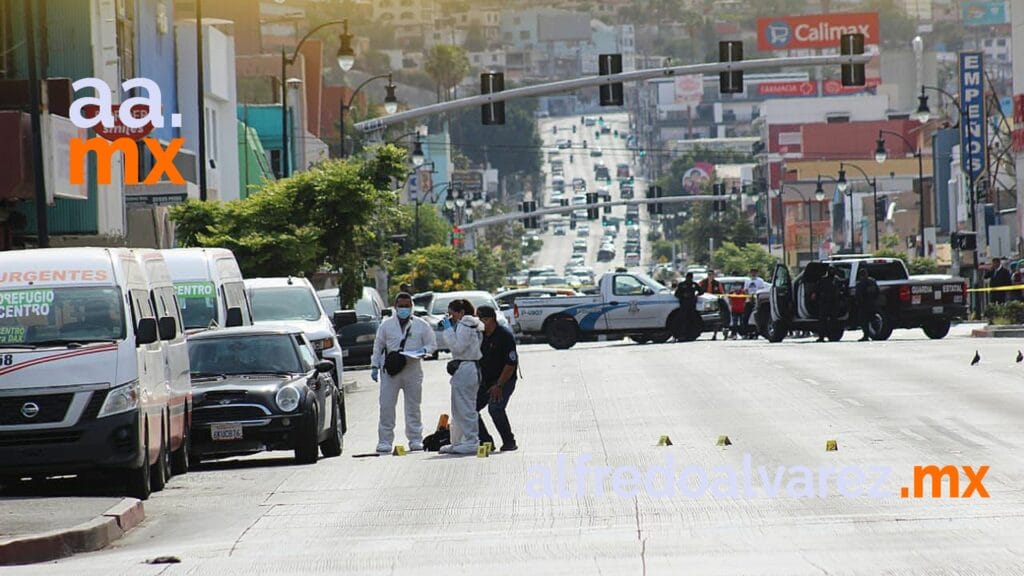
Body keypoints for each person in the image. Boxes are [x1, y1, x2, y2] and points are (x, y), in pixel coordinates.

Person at [371, 292, 437, 453]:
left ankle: (415, 439)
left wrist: (424, 351)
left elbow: (432, 344)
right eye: (401, 306)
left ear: (412, 307)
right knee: (386, 406)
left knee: (413, 406)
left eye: (407, 306)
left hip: (412, 369)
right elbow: (378, 346)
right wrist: (374, 366)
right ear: (395, 306)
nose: (404, 309)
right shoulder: (386, 325)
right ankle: (385, 441)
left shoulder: (421, 325)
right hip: (391, 371)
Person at [440, 299, 484, 455]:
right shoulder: (471, 324)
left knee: (466, 407)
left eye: (452, 314)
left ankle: (471, 441)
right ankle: (458, 441)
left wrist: (448, 331)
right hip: (465, 368)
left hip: (467, 367)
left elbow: (458, 347)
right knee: (457, 407)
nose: (450, 317)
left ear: (461, 312)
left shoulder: (466, 324)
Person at [475, 306, 518, 452]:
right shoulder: (480, 336)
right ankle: (486, 441)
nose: (480, 322)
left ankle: (509, 441)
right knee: (470, 409)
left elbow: (511, 363)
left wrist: (499, 385)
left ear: (491, 319)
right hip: (486, 381)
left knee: (495, 409)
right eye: (478, 319)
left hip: (504, 380)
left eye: (483, 319)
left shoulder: (504, 336)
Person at [814, 266, 843, 342]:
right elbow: (817, 290)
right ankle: (822, 337)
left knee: (833, 322)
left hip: (833, 303)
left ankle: (832, 336)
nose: (832, 272)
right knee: (823, 322)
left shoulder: (837, 280)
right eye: (831, 270)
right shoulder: (823, 280)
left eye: (833, 270)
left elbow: (841, 291)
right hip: (825, 303)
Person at [854, 268, 880, 342]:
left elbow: (858, 295)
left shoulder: (860, 283)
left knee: (863, 321)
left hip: (864, 305)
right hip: (872, 304)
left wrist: (859, 303)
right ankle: (876, 333)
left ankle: (866, 335)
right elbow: (877, 292)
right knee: (872, 319)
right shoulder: (872, 281)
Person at [698, 271, 724, 340]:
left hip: (714, 304)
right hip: (704, 305)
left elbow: (721, 294)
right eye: (709, 274)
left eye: (712, 275)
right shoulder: (702, 282)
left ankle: (714, 334)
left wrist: (719, 299)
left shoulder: (717, 283)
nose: (710, 276)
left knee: (716, 321)